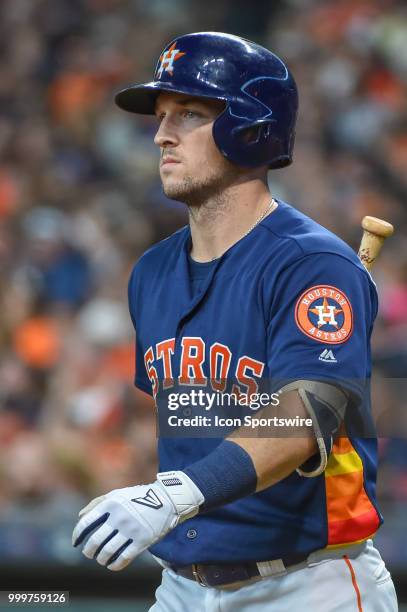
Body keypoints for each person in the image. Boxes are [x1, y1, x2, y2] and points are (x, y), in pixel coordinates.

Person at [72, 32, 397, 611]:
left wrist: (171, 498)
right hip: (182, 585)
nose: (160, 135)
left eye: (189, 114)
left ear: (249, 128)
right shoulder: (150, 272)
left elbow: (309, 414)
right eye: (162, 116)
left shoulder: (313, 264)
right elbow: (189, 422)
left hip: (306, 585)